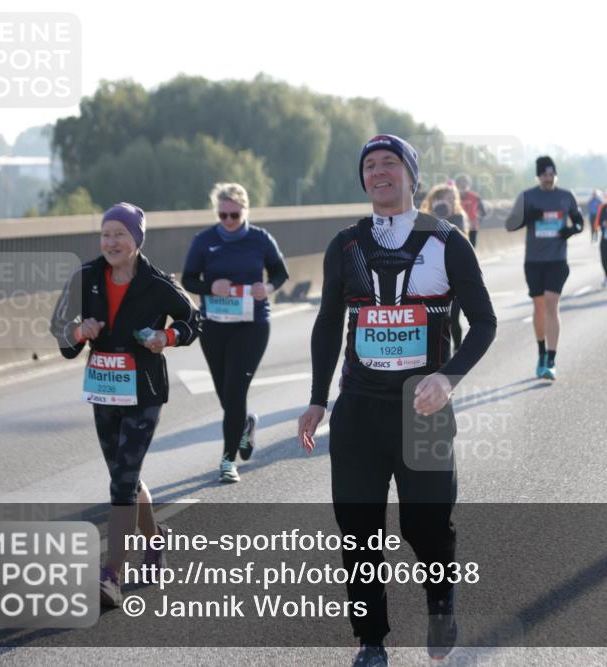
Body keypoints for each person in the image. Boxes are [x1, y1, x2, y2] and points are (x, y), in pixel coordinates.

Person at [297, 134, 496, 666]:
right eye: (370, 165)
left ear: (412, 176)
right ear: (363, 180)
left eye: (390, 163)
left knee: (425, 524)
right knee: (358, 528)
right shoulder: (346, 244)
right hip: (359, 409)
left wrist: (448, 378)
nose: (379, 172)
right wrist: (318, 398)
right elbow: (326, 324)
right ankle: (371, 641)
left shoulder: (448, 241)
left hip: (423, 412)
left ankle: (440, 598)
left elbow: (485, 324)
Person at [50, 202, 200, 607]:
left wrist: (165, 339)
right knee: (126, 476)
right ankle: (155, 542)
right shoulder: (86, 276)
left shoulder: (156, 283)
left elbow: (193, 321)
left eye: (120, 234)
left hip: (144, 390)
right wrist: (79, 331)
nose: (111, 241)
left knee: (120, 481)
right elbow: (58, 327)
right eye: (105, 234)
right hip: (103, 390)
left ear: (136, 239)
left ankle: (111, 574)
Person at [182, 183, 289, 484]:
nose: (228, 221)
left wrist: (266, 288)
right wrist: (209, 287)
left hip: (251, 325)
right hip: (214, 325)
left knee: (235, 390)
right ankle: (245, 424)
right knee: (225, 394)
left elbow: (281, 272)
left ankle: (228, 461)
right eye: (223, 215)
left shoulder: (260, 239)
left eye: (234, 214)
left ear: (245, 211)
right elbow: (188, 278)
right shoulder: (204, 241)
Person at [505, 155, 585, 380]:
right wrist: (528, 216)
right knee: (539, 307)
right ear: (538, 176)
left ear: (555, 174)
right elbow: (509, 225)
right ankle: (541, 352)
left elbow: (579, 221)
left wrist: (572, 230)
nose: (548, 179)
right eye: (544, 175)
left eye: (551, 174)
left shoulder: (566, 196)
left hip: (557, 261)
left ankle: (551, 359)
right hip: (534, 262)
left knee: (552, 305)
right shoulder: (527, 197)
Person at [421, 182, 471, 354]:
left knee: (453, 317)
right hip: (432, 275)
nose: (451, 202)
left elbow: (458, 239)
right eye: (447, 198)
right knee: (434, 317)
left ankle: (457, 351)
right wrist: (434, 213)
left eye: (453, 198)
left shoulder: (458, 217)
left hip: (455, 275)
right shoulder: (424, 217)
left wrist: (443, 216)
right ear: (436, 200)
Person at [455, 174, 486, 248]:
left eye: (465, 183)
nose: (463, 185)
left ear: (469, 185)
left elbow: (483, 212)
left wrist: (477, 221)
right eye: (461, 183)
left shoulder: (475, 197)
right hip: (457, 229)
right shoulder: (452, 197)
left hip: (472, 229)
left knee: (471, 249)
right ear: (457, 185)